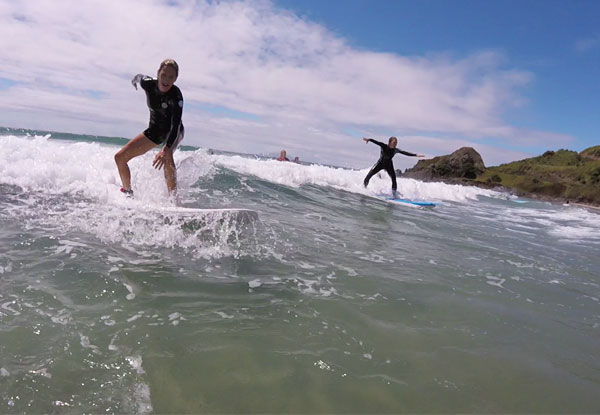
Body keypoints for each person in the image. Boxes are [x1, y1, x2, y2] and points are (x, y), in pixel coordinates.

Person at [114, 59, 184, 197]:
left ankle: (173, 201)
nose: (166, 80)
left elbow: (175, 125)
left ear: (175, 79)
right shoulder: (148, 83)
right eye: (164, 75)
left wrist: (166, 148)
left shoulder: (176, 96)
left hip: (173, 132)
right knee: (120, 158)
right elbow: (139, 77)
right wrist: (134, 81)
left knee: (167, 154)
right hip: (155, 131)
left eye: (171, 77)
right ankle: (128, 192)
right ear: (158, 73)